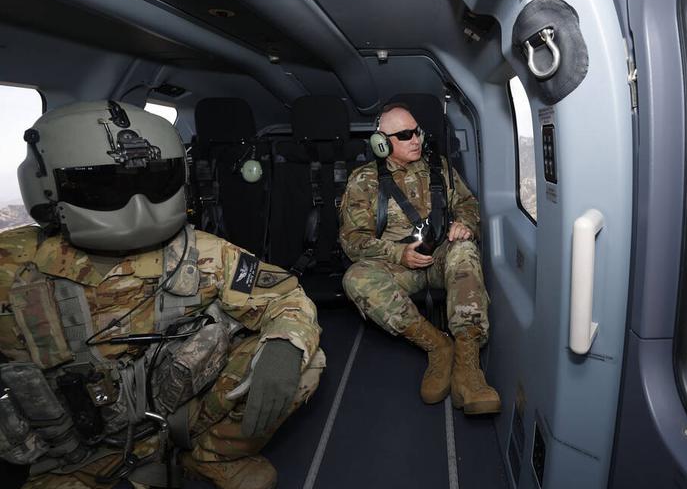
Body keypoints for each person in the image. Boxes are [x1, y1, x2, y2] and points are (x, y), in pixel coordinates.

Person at [0, 101, 324, 489]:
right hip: (69, 453)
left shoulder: (203, 251)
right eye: (104, 185)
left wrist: (284, 346)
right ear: (47, 188)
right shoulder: (13, 265)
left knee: (305, 360)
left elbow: (284, 295)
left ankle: (210, 454)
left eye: (156, 179)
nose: (137, 204)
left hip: (178, 408)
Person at [340, 102, 500, 415]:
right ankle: (438, 346)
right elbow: (352, 240)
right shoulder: (364, 181)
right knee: (355, 279)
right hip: (397, 265)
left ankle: (468, 368)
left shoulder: (438, 168)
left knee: (466, 250)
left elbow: (469, 205)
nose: (416, 139)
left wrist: (464, 224)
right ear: (382, 143)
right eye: (405, 135)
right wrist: (399, 253)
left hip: (441, 257)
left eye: (417, 132)